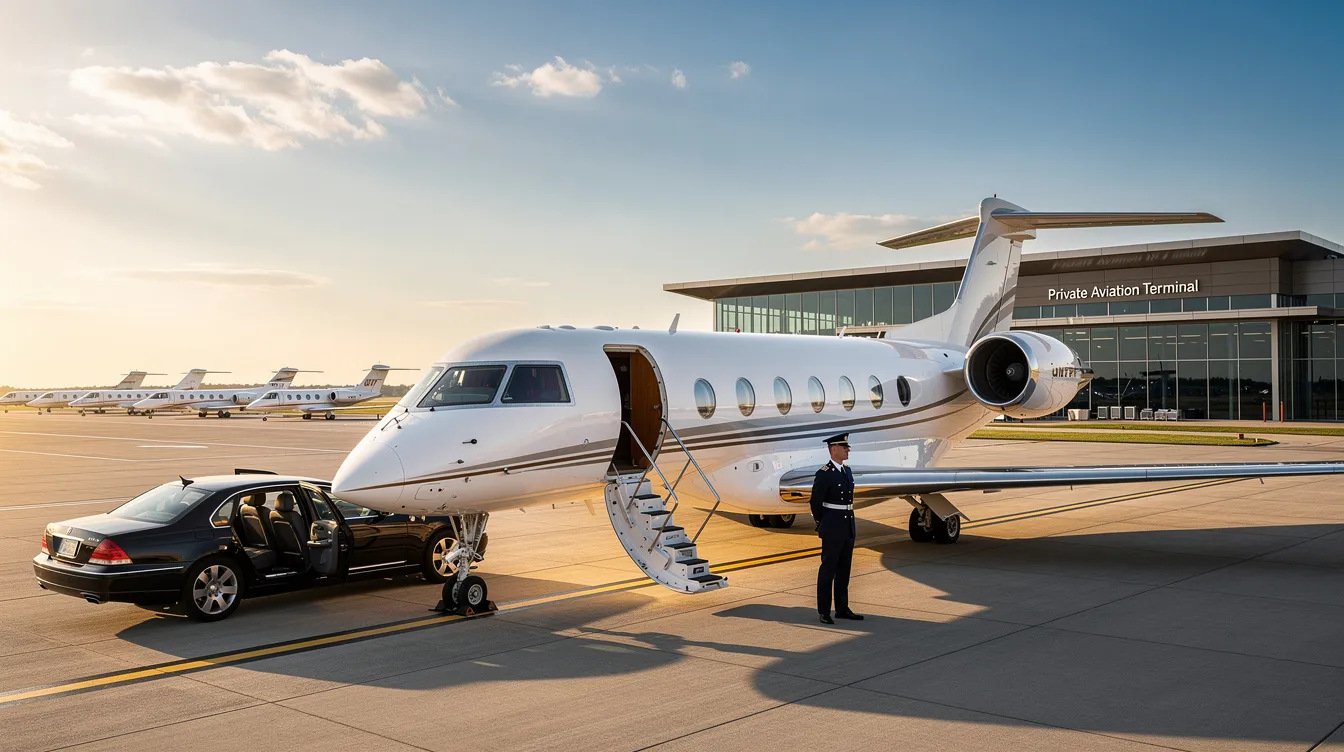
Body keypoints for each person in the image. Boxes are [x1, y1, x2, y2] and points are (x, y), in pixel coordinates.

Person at [810, 433, 864, 624]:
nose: (848, 450)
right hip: (833, 527)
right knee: (828, 570)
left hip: (847, 525)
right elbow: (815, 503)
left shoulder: (846, 471)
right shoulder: (824, 473)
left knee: (844, 570)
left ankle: (842, 608)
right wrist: (823, 523)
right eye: (844, 447)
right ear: (834, 449)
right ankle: (824, 611)